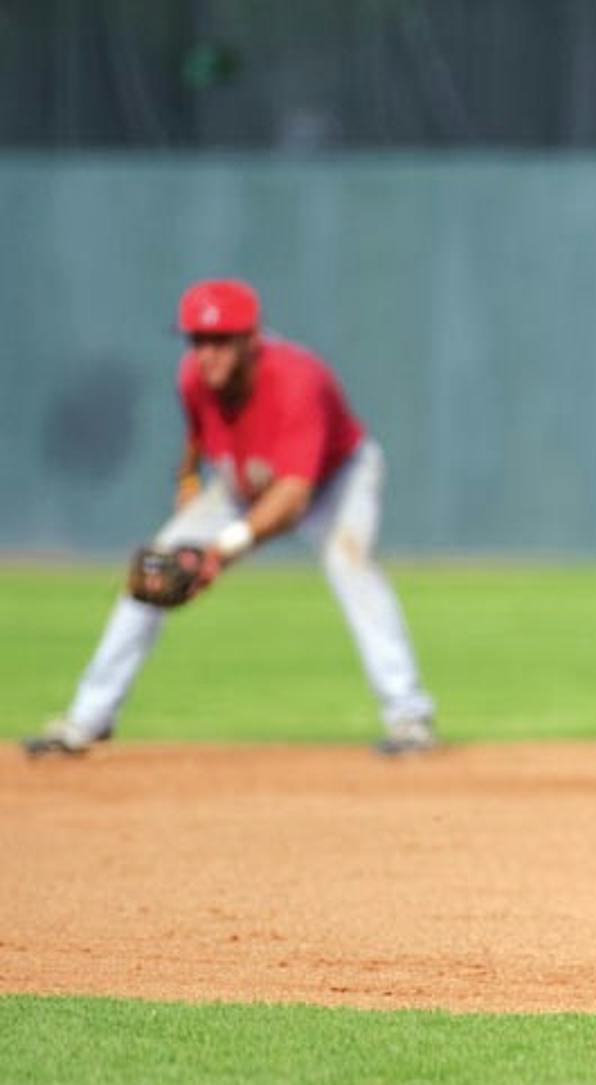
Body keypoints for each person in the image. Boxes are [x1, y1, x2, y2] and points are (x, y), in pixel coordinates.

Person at [25, 279, 438, 757]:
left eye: (220, 340)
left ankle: (409, 717)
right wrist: (187, 483)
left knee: (351, 565)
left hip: (335, 478)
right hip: (243, 480)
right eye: (197, 340)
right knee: (154, 572)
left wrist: (219, 551)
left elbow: (293, 496)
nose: (207, 353)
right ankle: (86, 720)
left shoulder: (297, 380)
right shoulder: (193, 377)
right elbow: (198, 436)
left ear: (251, 339)